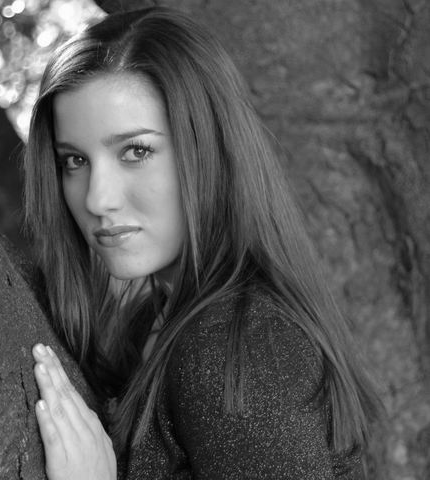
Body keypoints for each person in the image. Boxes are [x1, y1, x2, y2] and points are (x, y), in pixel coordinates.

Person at [24, 6, 382, 479]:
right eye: (74, 161)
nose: (97, 198)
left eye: (136, 151)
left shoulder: (234, 346)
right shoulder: (153, 320)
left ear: (209, 149)